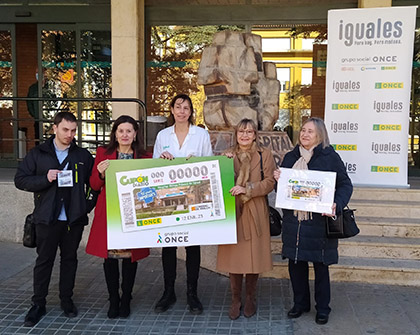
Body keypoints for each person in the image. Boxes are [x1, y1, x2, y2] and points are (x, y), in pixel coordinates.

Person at [14, 111, 94, 327]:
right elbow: (20, 180)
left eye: (73, 130)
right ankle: (38, 304)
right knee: (44, 262)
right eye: (66, 129)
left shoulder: (82, 156)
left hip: (73, 220)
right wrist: (44, 178)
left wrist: (85, 207)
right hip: (46, 219)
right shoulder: (38, 153)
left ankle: (66, 300)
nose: (70, 134)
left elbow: (94, 185)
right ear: (55, 128)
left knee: (69, 261)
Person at [274, 117, 353, 325]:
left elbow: (345, 185)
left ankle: (323, 308)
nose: (304, 134)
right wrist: (278, 181)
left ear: (320, 135)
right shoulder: (290, 157)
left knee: (320, 267)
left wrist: (336, 202)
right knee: (296, 264)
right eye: (303, 130)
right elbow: (281, 193)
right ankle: (300, 304)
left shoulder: (330, 157)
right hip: (294, 223)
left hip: (318, 223)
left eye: (310, 131)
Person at [153, 93, 213, 315]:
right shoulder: (162, 135)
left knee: (192, 246)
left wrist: (196, 163)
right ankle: (168, 291)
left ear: (190, 111)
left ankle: (192, 293)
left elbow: (208, 164)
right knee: (168, 246)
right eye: (178, 107)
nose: (182, 111)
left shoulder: (201, 135)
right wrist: (162, 159)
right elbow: (154, 169)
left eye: (186, 108)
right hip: (168, 201)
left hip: (193, 200)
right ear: (171, 109)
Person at [86, 115, 150, 318]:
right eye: (121, 131)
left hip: (134, 214)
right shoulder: (103, 153)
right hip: (110, 213)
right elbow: (94, 185)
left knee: (130, 258)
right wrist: (100, 173)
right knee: (111, 259)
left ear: (135, 134)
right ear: (115, 133)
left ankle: (126, 298)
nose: (124, 134)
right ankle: (113, 298)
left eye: (129, 131)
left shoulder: (144, 157)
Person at [216, 118, 275, 320]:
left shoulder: (264, 154)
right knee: (234, 257)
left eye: (249, 132)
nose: (245, 135)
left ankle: (250, 297)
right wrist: (224, 162)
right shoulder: (227, 155)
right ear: (236, 134)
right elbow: (218, 180)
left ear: (255, 135)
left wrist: (248, 188)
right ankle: (235, 299)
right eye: (241, 131)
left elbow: (269, 182)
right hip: (234, 210)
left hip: (255, 209)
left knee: (253, 256)